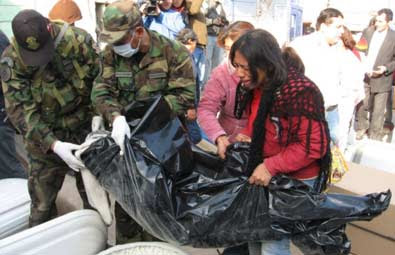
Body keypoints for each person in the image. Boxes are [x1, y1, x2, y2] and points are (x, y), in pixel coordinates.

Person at [92, 0, 195, 243]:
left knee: (160, 211)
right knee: (127, 207)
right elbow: (101, 91)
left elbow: (186, 96)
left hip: (163, 146)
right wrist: (115, 118)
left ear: (138, 32)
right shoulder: (110, 55)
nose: (115, 47)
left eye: (119, 40)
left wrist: (145, 118)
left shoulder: (174, 52)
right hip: (125, 144)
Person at [230, 29, 330, 255]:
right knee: (253, 235)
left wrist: (270, 166)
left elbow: (312, 146)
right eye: (236, 65)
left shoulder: (300, 91)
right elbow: (257, 123)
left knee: (273, 243)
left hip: (295, 177)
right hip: (263, 172)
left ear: (265, 63)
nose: (239, 73)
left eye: (245, 67)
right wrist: (245, 138)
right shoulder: (256, 86)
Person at [0, 10, 100, 226]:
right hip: (44, 141)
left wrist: (101, 117)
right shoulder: (12, 61)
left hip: (85, 133)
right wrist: (53, 145)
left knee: (95, 203)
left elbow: (101, 82)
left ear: (48, 28)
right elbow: (20, 111)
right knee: (41, 208)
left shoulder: (78, 40)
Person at [198, 21, 254, 160]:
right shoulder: (221, 74)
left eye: (236, 49)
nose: (231, 55)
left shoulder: (264, 73)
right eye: (228, 49)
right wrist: (219, 136)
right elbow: (206, 108)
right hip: (230, 144)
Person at [290, 8, 345, 146]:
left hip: (331, 108)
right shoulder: (301, 45)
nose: (342, 31)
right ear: (323, 27)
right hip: (309, 111)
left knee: (332, 146)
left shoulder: (336, 48)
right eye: (338, 27)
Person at [355, 8, 395, 141]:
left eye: (381, 21)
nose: (377, 23)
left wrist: (385, 68)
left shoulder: (393, 37)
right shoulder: (368, 32)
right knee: (362, 104)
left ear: (388, 22)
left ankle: (374, 136)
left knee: (378, 111)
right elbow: (359, 50)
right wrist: (362, 65)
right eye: (376, 20)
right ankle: (362, 127)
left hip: (383, 78)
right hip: (365, 75)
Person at [0, 29, 27, 180]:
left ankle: (29, 199)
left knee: (9, 167)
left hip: (1, 117)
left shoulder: (0, 40)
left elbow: (6, 80)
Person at [337, 26, 365, 152]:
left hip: (344, 100)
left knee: (340, 134)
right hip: (340, 100)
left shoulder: (351, 58)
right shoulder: (333, 55)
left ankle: (336, 166)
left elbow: (356, 87)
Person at [202, 0, 228, 80]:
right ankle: (205, 84)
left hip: (219, 37)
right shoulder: (206, 5)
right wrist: (213, 21)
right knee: (207, 61)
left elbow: (226, 22)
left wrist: (224, 22)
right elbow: (201, 20)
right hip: (209, 36)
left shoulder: (222, 6)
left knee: (217, 61)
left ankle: (213, 82)